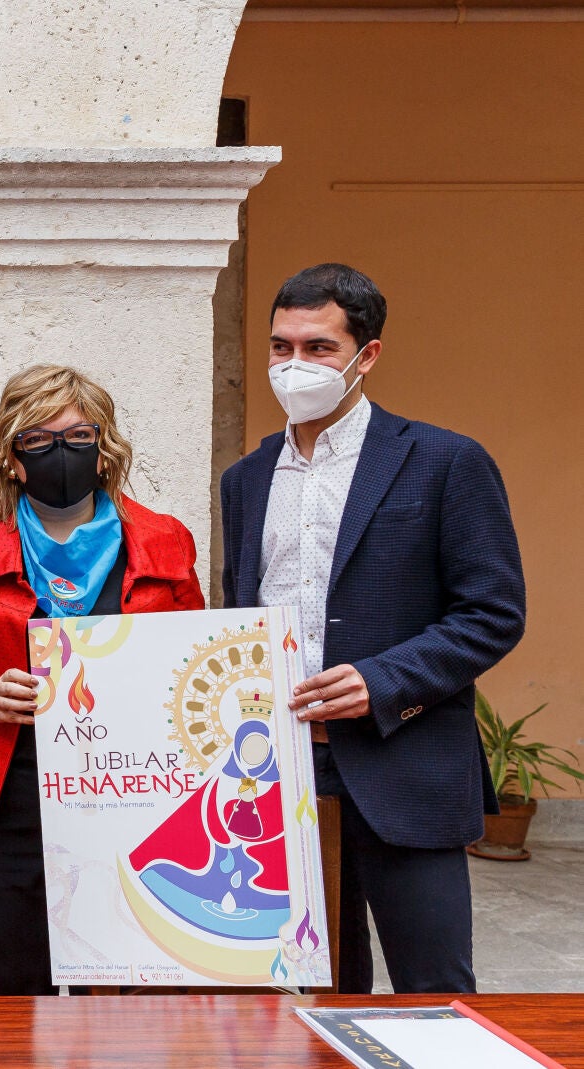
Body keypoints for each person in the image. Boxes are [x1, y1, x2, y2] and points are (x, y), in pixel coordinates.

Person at [221, 263, 525, 994]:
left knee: (435, 993)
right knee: (319, 993)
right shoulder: (246, 480)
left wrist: (380, 681)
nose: (295, 365)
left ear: (367, 355)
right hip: (284, 774)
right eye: (281, 347)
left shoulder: (446, 462)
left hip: (406, 762)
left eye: (319, 348)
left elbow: (493, 611)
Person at [0, 364, 204, 995]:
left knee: (133, 989)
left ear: (105, 448)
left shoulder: (166, 541)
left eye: (77, 437)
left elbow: (192, 660)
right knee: (6, 993)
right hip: (1, 796)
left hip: (133, 793)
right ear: (13, 459)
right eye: (38, 441)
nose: (59, 453)